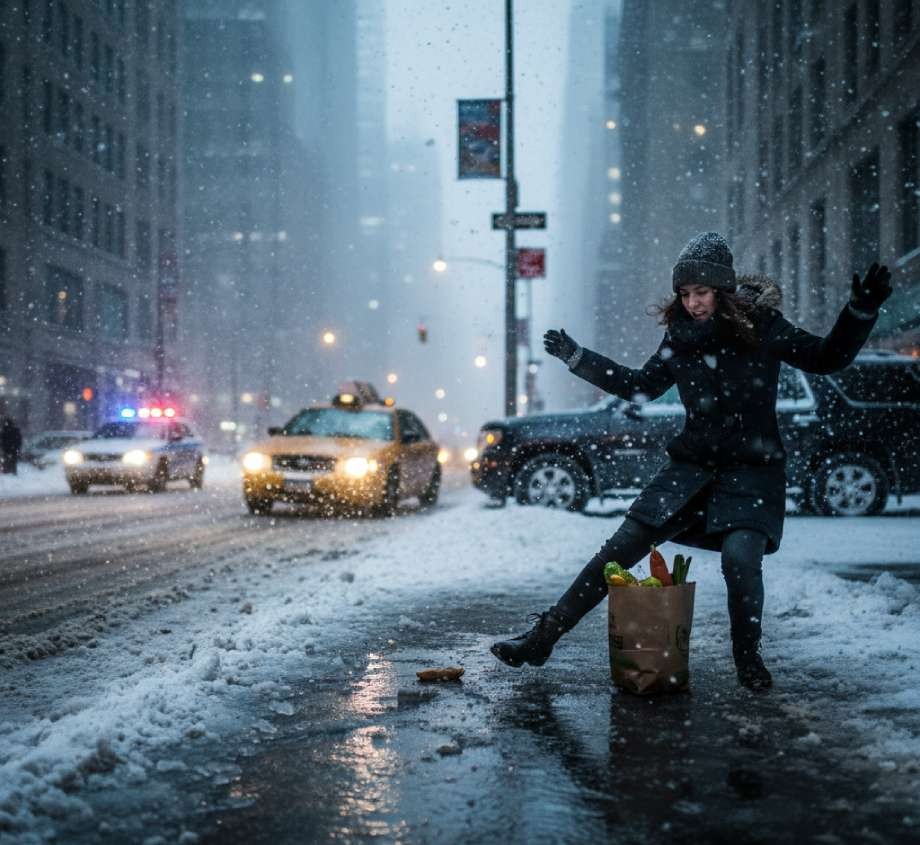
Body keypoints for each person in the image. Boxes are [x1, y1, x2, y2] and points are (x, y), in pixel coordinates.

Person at [490, 232, 892, 690]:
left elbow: (828, 357)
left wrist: (860, 312)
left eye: (701, 292)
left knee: (741, 560)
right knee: (618, 551)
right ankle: (543, 637)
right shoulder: (679, 338)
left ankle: (748, 660)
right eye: (685, 294)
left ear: (722, 290)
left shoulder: (763, 326)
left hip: (751, 471)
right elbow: (639, 385)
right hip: (691, 470)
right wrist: (579, 358)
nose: (693, 303)